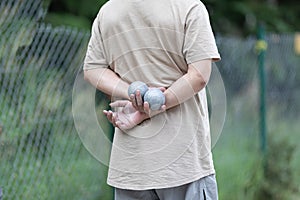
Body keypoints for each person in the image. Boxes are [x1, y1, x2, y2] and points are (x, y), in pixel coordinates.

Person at [83, 0, 221, 199]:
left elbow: (93, 69)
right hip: (183, 163)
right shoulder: (189, 7)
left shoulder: (108, 11)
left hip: (131, 168)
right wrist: (155, 102)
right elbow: (199, 76)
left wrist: (133, 93)